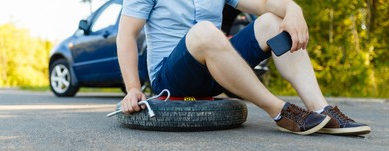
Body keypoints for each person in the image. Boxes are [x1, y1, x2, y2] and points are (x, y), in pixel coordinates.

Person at [117, 0, 371, 136]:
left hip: (215, 72)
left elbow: (263, 4)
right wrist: (132, 88)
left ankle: (321, 108)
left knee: (273, 21)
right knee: (204, 31)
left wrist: (294, 9)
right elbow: (126, 35)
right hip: (170, 79)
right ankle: (280, 111)